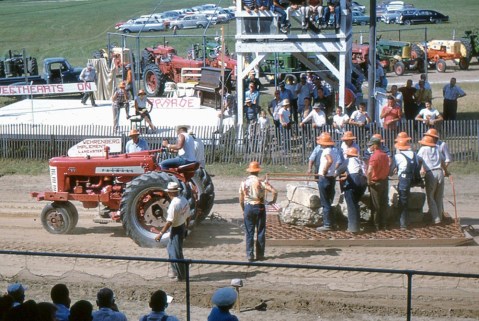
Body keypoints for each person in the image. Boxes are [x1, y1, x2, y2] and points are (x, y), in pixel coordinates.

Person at [239, 161, 278, 262]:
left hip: (248, 207)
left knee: (249, 232)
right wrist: (273, 201)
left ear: (249, 171)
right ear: (257, 171)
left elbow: (241, 199)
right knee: (260, 231)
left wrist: (244, 209)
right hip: (260, 206)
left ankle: (250, 255)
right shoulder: (261, 182)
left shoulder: (243, 183)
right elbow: (274, 191)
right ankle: (260, 255)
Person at [155, 182, 189, 281]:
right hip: (182, 226)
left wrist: (160, 234)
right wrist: (186, 228)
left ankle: (181, 276)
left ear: (171, 193)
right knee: (171, 248)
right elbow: (188, 216)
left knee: (176, 253)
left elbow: (169, 222)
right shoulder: (184, 200)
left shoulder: (174, 204)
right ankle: (175, 271)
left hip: (176, 229)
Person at [336, 147, 367, 233]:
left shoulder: (348, 160)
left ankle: (353, 228)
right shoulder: (361, 161)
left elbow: (338, 170)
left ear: (348, 155)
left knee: (351, 205)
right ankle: (357, 225)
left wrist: (332, 176)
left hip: (354, 182)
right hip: (363, 183)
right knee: (355, 204)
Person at [417, 135, 446, 224]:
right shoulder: (437, 148)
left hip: (430, 173)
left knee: (431, 196)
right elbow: (442, 161)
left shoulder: (423, 149)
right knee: (439, 196)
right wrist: (446, 171)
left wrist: (419, 171)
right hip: (440, 172)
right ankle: (439, 217)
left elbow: (417, 160)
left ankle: (436, 219)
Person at [316, 134, 341, 231]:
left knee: (325, 202)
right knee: (329, 201)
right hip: (331, 178)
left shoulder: (326, 151)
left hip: (325, 177)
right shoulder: (334, 150)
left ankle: (327, 224)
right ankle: (331, 222)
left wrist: (325, 170)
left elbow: (329, 161)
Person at [391, 137, 417, 229]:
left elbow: (391, 171)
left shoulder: (397, 156)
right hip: (412, 178)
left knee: (402, 200)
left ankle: (403, 224)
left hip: (404, 179)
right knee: (406, 199)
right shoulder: (414, 154)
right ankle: (407, 220)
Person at [366, 136, 390, 231]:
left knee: (376, 205)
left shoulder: (374, 156)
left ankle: (376, 225)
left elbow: (369, 171)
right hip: (384, 181)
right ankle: (384, 224)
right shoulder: (385, 155)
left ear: (375, 145)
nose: (369, 147)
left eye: (371, 145)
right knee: (384, 203)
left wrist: (368, 181)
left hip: (375, 183)